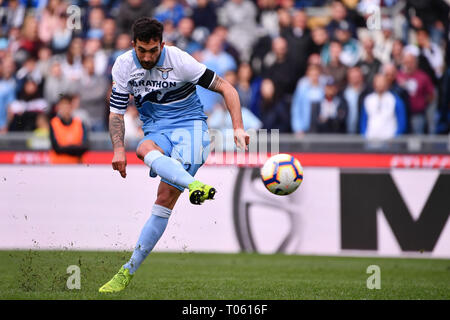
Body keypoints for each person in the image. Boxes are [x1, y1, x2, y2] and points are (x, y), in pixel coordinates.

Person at [98, 17, 249, 293]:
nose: (147, 56)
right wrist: (118, 148)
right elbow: (116, 113)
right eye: (141, 50)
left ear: (162, 44)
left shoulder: (180, 60)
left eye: (153, 50)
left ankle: (127, 271)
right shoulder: (122, 65)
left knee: (164, 197)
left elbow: (227, 87)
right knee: (142, 148)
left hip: (192, 131)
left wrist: (238, 127)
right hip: (157, 130)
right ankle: (194, 187)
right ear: (133, 45)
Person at [49, 95, 89, 164]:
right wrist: (75, 149)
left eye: (67, 105)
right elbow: (56, 148)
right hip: (58, 166)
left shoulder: (80, 123)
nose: (65, 108)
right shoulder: (54, 123)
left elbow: (85, 146)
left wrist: (65, 148)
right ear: (58, 107)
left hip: (76, 166)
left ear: (72, 107)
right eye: (63, 105)